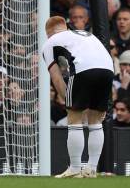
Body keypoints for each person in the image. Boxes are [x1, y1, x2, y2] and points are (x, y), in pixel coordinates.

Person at [42, 16, 114, 178]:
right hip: (108, 69)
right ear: (65, 27)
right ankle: (91, 169)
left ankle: (75, 168)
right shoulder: (85, 34)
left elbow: (56, 76)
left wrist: (67, 100)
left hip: (83, 69)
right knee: (96, 121)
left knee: (74, 119)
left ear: (48, 33)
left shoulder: (50, 42)